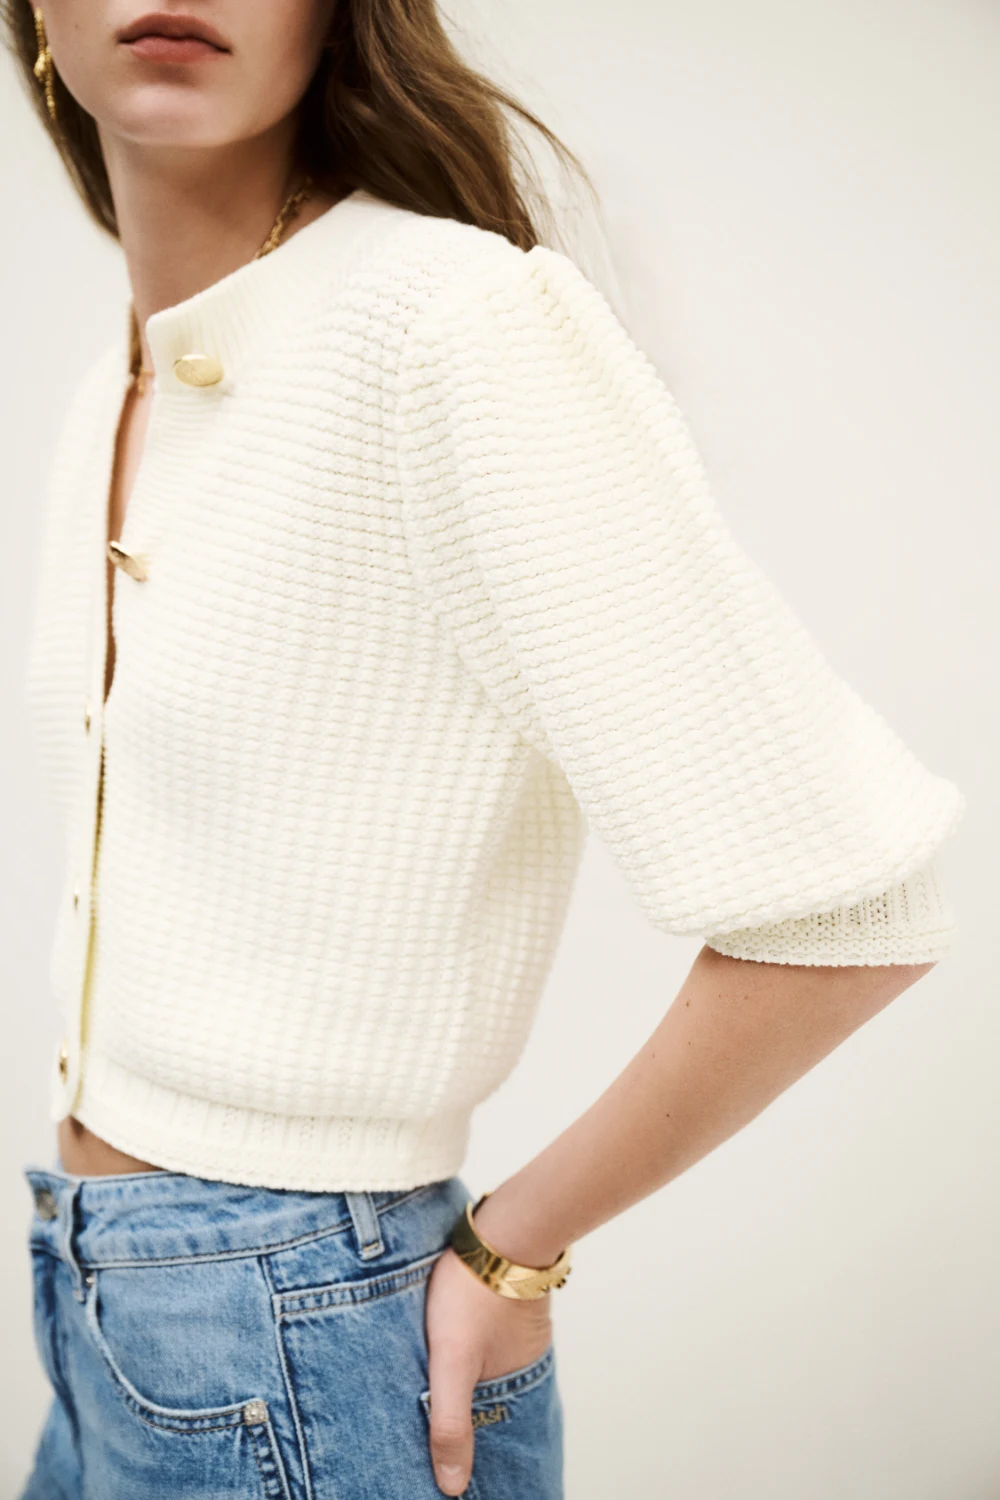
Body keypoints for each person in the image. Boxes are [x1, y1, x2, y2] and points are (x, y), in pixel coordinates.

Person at [10, 2, 966, 1497]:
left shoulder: (445, 327)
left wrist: (514, 1246)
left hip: (310, 1336)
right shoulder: (113, 388)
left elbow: (855, 909)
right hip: (98, 1313)